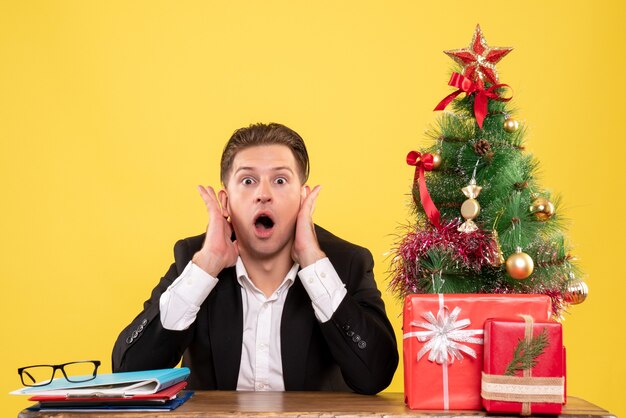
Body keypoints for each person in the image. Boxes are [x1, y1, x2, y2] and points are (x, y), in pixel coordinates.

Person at [112, 123, 398, 395]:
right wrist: (206, 267)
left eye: (280, 180)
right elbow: (129, 373)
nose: (264, 194)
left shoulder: (344, 263)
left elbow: (376, 376)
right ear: (226, 202)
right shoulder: (193, 259)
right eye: (248, 181)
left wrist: (313, 262)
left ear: (303, 198)